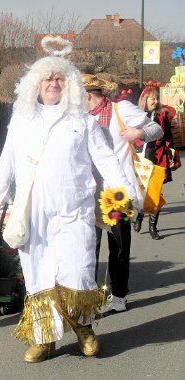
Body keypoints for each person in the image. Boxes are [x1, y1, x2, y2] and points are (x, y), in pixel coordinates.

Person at [0, 36, 137, 364]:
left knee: (78, 271)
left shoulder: (83, 122)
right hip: (36, 213)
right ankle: (44, 339)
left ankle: (83, 326)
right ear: (36, 86)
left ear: (69, 85)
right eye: (48, 78)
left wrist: (121, 192)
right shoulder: (21, 122)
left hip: (75, 211)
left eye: (60, 78)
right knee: (39, 276)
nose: (54, 83)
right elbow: (8, 159)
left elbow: (108, 161)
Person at [81, 74, 163, 312]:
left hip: (117, 191)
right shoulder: (79, 118)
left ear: (87, 95)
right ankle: (88, 294)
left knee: (118, 243)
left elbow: (155, 128)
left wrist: (138, 134)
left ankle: (118, 295)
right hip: (89, 190)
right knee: (88, 244)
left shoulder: (121, 109)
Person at [133, 86, 176, 239]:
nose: (156, 101)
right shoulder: (136, 115)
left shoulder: (162, 115)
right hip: (139, 160)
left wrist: (171, 155)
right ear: (145, 99)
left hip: (158, 159)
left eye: (157, 98)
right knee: (140, 192)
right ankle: (138, 216)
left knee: (156, 194)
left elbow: (168, 137)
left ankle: (153, 227)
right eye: (153, 98)